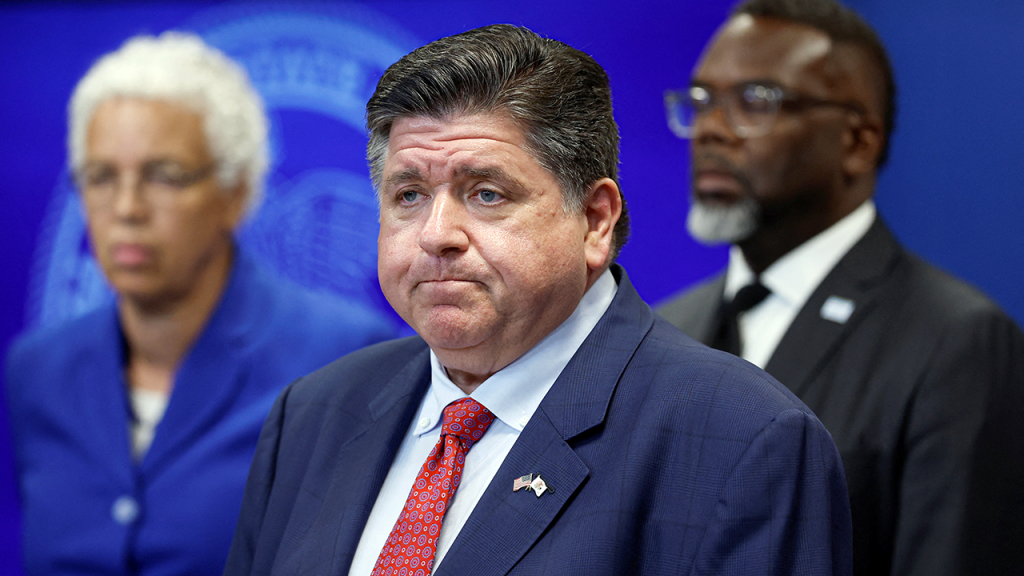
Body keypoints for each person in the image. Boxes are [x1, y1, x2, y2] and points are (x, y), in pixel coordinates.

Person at [224, 24, 852, 576]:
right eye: (408, 195)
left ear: (596, 219)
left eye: (487, 193)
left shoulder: (742, 440)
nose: (436, 234)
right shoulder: (312, 415)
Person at [4, 33, 394, 576]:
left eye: (164, 176)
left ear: (234, 193)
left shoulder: (347, 361)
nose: (126, 208)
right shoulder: (39, 369)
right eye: (101, 177)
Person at [656, 1, 1024, 575]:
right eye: (701, 100)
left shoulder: (955, 342)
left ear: (857, 143)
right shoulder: (665, 328)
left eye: (755, 101)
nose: (709, 129)